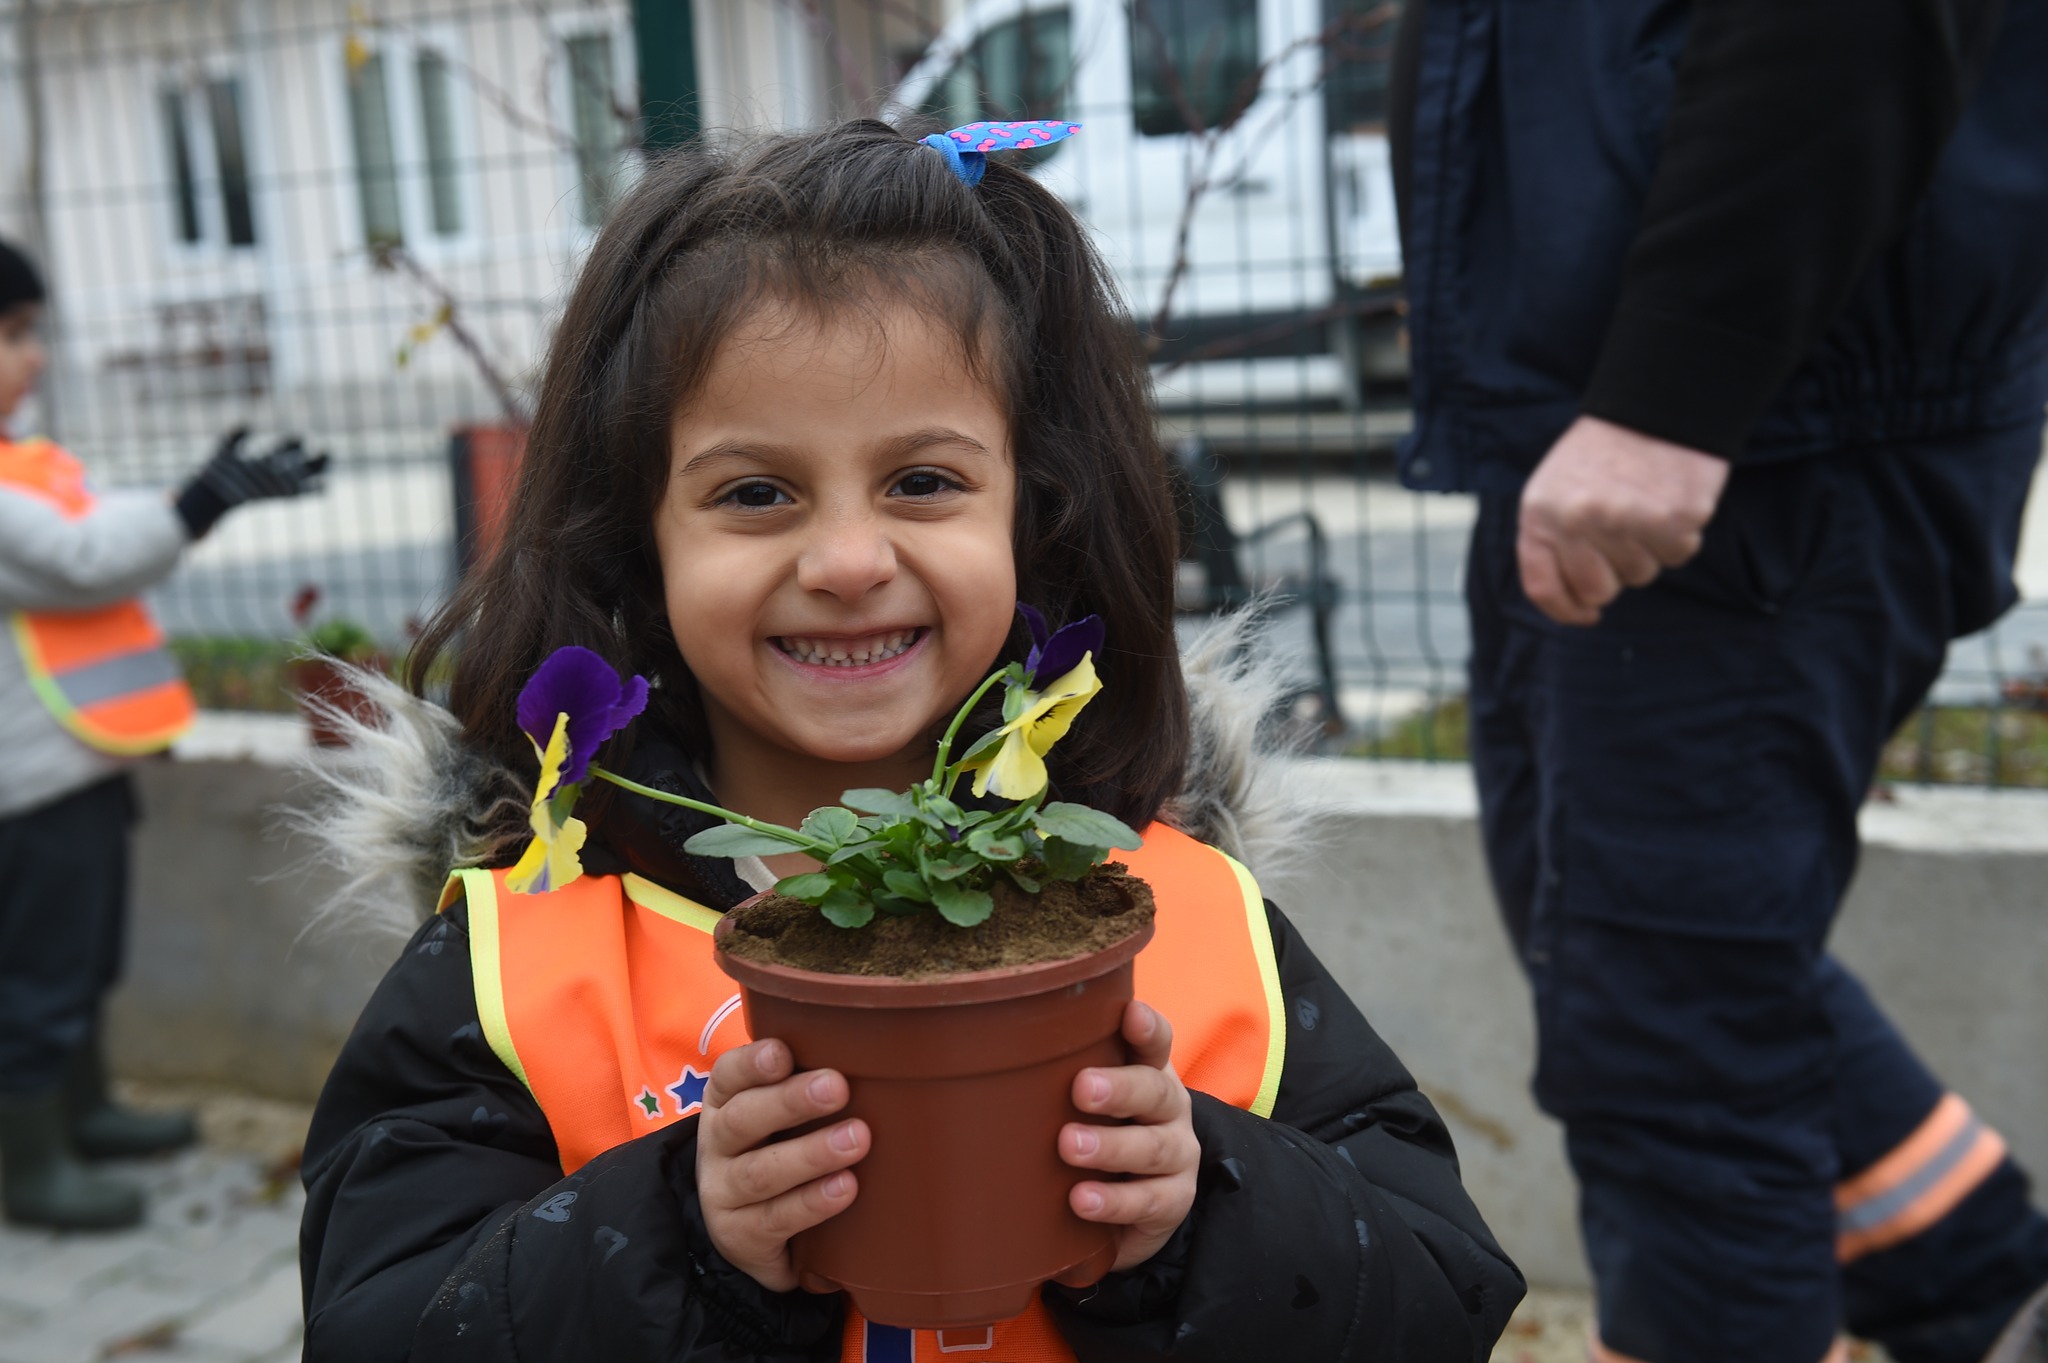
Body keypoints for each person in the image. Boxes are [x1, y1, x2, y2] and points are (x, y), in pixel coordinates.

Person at [294, 120, 1524, 1362]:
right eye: (753, 493)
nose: (844, 562)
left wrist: (1202, 1207)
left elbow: (1432, 1295)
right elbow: (383, 1325)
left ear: (1032, 518)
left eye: (923, 482)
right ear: (638, 541)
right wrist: (682, 1231)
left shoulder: (1185, 920)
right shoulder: (523, 964)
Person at [1389, 0, 2048, 1360]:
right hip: (1604, 403)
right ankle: (1982, 1286)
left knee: (1671, 1043)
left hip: (1753, 422)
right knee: (1646, 968)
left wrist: (1677, 386)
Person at [0, 238, 328, 1230]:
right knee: (41, 972)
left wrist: (193, 502)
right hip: (27, 787)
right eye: (14, 334)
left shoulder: (21, 465)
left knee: (82, 956)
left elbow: (97, 527)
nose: (36, 357)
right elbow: (88, 555)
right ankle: (31, 1159)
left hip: (72, 766)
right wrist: (200, 501)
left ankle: (85, 1109)